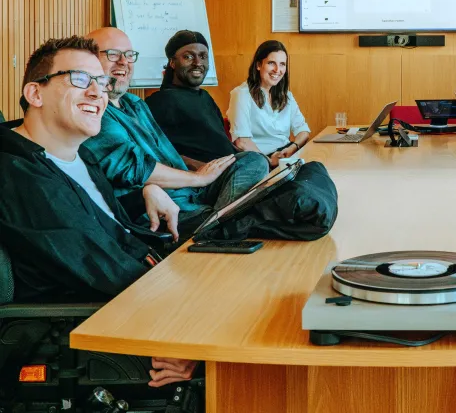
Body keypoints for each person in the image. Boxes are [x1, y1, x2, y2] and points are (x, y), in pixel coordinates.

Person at [0, 36, 197, 387]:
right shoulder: (19, 175)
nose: (97, 92)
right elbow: (101, 263)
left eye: (101, 82)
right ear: (35, 94)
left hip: (135, 304)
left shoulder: (81, 157)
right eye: (79, 79)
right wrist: (185, 331)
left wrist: (145, 190)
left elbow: (106, 226)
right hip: (93, 340)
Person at [80, 28, 269, 235]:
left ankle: (219, 221)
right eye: (113, 54)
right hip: (161, 206)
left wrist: (203, 174)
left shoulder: (135, 103)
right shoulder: (95, 111)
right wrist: (199, 178)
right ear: (89, 62)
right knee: (269, 215)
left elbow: (169, 154)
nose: (124, 62)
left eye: (129, 55)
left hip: (192, 192)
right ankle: (218, 227)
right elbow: (134, 169)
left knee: (254, 161)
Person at [146, 30, 238, 168]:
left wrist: (267, 159)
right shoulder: (161, 101)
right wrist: (205, 170)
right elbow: (157, 152)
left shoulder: (205, 97)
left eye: (203, 56)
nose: (197, 63)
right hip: (202, 181)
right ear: (172, 62)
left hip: (231, 169)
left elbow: (223, 142)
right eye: (188, 57)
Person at [227, 40, 311, 168]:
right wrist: (269, 161)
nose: (278, 70)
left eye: (282, 64)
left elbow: (303, 131)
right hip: (259, 161)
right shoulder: (241, 94)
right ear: (258, 65)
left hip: (286, 155)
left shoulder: (286, 95)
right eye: (271, 63)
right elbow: (242, 142)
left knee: (318, 169)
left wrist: (293, 148)